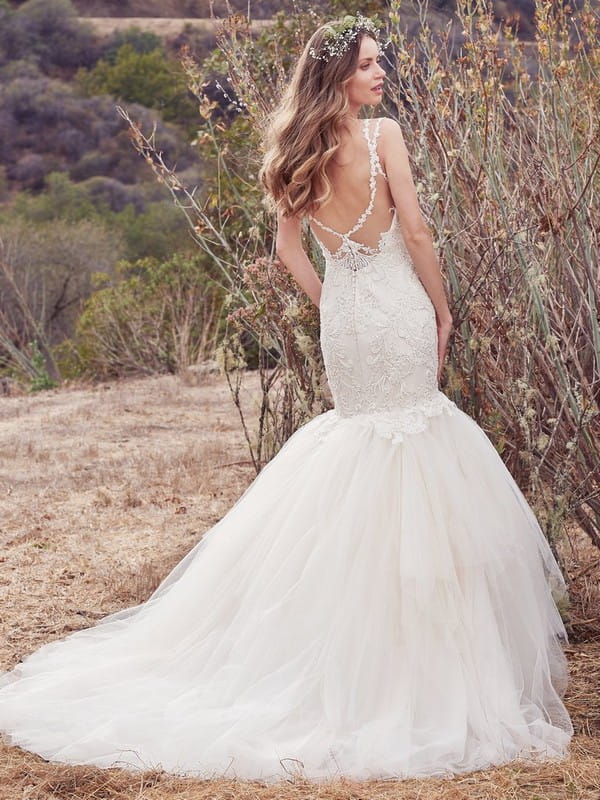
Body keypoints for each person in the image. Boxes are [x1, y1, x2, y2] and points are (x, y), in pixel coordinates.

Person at [0, 15, 574, 784]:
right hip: (398, 310)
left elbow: (287, 250)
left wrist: (335, 296)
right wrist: (439, 309)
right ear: (338, 75)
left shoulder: (299, 148)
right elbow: (420, 232)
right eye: (369, 65)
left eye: (380, 64)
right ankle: (420, 662)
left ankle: (362, 649)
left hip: (346, 320)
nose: (381, 75)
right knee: (415, 448)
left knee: (365, 447)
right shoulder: (384, 137)